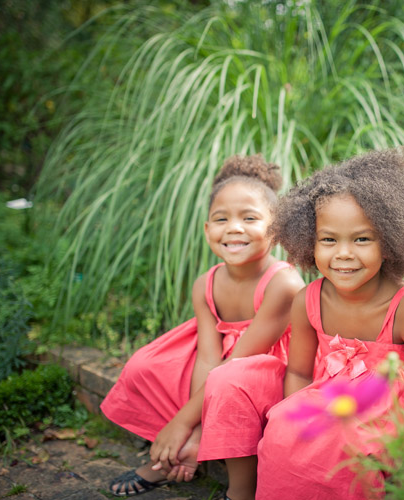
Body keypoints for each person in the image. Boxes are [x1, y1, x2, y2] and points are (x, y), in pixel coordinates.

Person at [255, 148, 404, 499]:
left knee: (348, 445)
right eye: (329, 240)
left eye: (362, 239)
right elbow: (300, 374)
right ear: (310, 241)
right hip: (331, 405)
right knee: (280, 434)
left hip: (391, 422)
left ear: (391, 242)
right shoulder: (309, 301)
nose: (344, 254)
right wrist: (298, 423)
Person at [100, 155, 304, 497]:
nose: (234, 228)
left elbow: (238, 363)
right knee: (147, 366)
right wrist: (194, 428)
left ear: (276, 228)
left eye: (249, 218)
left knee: (229, 382)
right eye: (221, 218)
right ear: (208, 229)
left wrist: (184, 424)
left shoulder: (283, 285)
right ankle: (172, 458)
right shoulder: (205, 283)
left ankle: (241, 490)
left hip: (268, 372)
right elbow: (208, 359)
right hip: (222, 369)